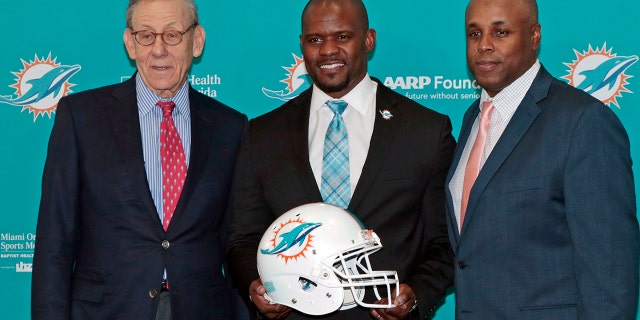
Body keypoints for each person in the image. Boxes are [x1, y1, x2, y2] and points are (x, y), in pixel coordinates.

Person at [226, 0, 455, 319]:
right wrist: (255, 284)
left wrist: (416, 293)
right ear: (302, 45)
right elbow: (243, 238)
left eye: (343, 36)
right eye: (315, 39)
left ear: (369, 39)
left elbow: (445, 241)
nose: (328, 50)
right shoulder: (262, 134)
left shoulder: (425, 131)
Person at [30, 0, 248, 319]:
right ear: (130, 44)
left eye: (172, 34)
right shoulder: (81, 118)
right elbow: (54, 242)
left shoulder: (230, 126)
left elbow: (236, 240)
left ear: (197, 41)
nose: (159, 49)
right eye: (146, 35)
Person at [445, 0, 639, 318]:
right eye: (474, 33)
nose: (484, 45)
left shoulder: (583, 121)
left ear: (534, 36)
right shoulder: (473, 118)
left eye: (501, 32)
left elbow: (610, 269)